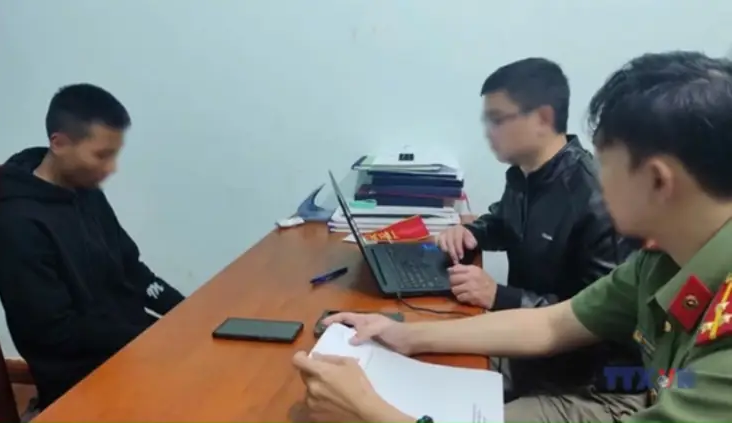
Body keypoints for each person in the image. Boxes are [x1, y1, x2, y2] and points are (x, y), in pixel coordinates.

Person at [292, 50, 732, 422]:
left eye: (607, 164)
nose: (599, 178)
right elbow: (553, 323)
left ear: (657, 181)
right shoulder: (661, 259)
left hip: (606, 390)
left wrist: (370, 413)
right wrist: (404, 336)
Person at [439, 58, 644, 403]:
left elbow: (597, 318)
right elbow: (506, 221)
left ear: (543, 119)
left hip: (585, 382)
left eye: (498, 120)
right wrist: (473, 232)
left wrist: (499, 296)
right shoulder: (524, 175)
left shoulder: (595, 198)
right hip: (531, 354)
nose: (488, 132)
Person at [0, 84, 185, 409]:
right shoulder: (14, 229)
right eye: (102, 155)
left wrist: (185, 312)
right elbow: (54, 333)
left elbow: (131, 269)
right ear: (59, 143)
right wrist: (149, 337)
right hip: (83, 377)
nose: (111, 168)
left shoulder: (85, 190)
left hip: (129, 344)